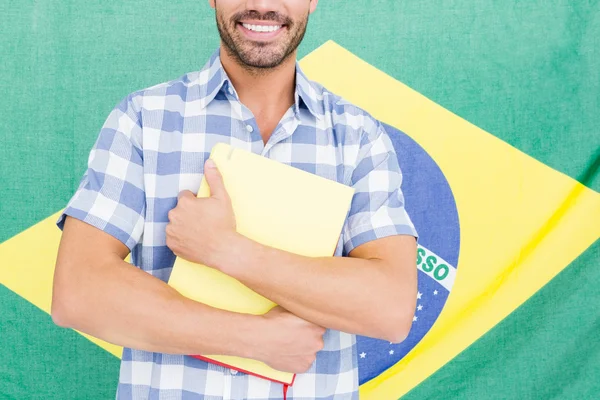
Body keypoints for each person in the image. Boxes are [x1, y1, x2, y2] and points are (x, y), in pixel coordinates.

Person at [51, 0, 418, 399]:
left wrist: (227, 250)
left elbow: (391, 308)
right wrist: (254, 338)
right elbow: (78, 292)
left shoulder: (358, 136)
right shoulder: (143, 119)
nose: (261, 5)